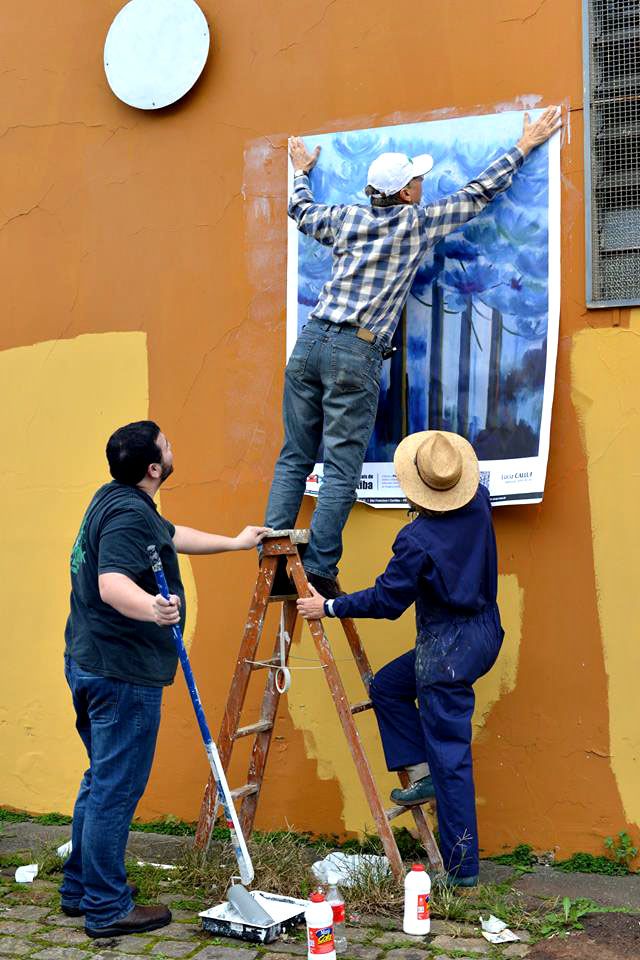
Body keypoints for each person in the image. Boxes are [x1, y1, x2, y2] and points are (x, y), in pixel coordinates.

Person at [265, 107, 561, 598]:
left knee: (294, 456)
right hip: (352, 353)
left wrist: (300, 172)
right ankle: (316, 569)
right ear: (405, 193)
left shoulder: (346, 218)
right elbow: (478, 194)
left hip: (310, 343)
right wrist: (525, 145)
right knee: (340, 466)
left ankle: (274, 563)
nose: (422, 185)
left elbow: (300, 211)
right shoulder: (416, 225)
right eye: (417, 181)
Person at [61, 420, 268, 937]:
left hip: (91, 661)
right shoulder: (129, 517)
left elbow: (170, 537)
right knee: (115, 787)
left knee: (100, 778)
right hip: (120, 672)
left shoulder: (116, 500)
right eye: (167, 445)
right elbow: (111, 584)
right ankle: (107, 909)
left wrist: (236, 542)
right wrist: (152, 608)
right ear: (154, 468)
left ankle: (79, 890)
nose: (175, 447)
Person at [297, 430, 502, 886]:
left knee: (452, 758)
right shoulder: (479, 502)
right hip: (485, 632)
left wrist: (328, 606)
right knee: (387, 687)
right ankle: (424, 772)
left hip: (446, 650)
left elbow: (389, 602)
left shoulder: (417, 540)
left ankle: (462, 870)